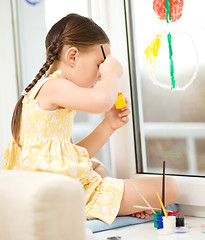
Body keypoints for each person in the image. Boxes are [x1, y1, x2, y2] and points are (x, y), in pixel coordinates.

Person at [3, 13, 177, 224]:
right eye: (99, 66)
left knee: (98, 167)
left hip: (50, 189)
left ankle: (114, 206)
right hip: (58, 196)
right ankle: (106, 206)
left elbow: (71, 159)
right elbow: (102, 100)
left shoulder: (44, 93)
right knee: (169, 188)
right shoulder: (53, 87)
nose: (100, 74)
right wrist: (112, 72)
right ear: (72, 56)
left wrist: (108, 125)